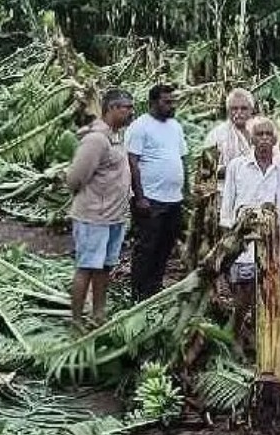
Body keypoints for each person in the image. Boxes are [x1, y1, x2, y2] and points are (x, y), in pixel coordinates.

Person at [219, 116, 280, 348]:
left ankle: (251, 333)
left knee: (263, 286)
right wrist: (226, 241)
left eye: (268, 134)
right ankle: (236, 331)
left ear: (275, 138)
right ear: (251, 138)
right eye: (259, 134)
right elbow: (227, 206)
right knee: (243, 287)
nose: (264, 138)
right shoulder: (237, 166)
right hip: (242, 236)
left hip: (269, 238)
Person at [64, 89, 134, 326]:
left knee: (104, 267)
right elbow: (75, 179)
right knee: (86, 267)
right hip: (94, 216)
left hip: (114, 217)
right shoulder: (96, 140)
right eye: (126, 107)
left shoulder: (116, 136)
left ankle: (98, 314)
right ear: (112, 108)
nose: (130, 112)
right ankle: (76, 319)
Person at [126, 84, 188, 302]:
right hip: (150, 199)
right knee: (146, 246)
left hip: (173, 198)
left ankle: (154, 287)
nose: (172, 106)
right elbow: (132, 162)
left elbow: (182, 158)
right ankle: (139, 292)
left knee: (165, 245)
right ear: (153, 102)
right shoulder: (140, 127)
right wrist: (139, 196)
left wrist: (185, 191)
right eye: (167, 102)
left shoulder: (175, 126)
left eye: (173, 101)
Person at [203, 87, 255, 193]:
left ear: (251, 110)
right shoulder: (215, 136)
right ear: (228, 111)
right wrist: (237, 170)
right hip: (225, 195)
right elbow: (206, 172)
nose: (239, 112)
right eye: (234, 109)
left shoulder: (261, 133)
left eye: (244, 108)